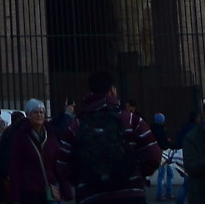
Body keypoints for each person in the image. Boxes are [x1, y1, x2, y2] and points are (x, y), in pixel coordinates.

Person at [67, 74, 164, 204]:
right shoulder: (132, 120)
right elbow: (154, 155)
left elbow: (63, 163)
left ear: (91, 92)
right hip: (131, 194)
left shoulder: (77, 125)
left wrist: (84, 178)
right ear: (112, 90)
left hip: (91, 195)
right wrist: (134, 173)